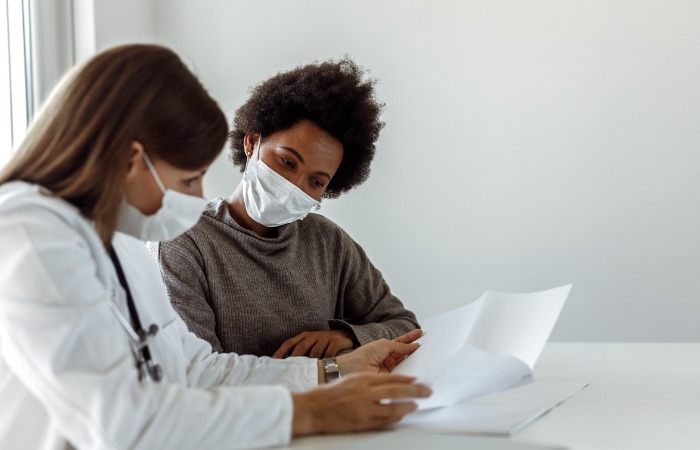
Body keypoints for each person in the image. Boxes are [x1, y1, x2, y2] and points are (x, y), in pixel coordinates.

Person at [0, 44, 431, 450]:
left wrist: (332, 370)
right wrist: (311, 411)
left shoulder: (119, 244)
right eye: (188, 179)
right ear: (132, 160)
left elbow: (196, 369)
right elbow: (121, 423)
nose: (195, 196)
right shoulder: (31, 237)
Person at [149, 58, 419, 359]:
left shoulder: (328, 243)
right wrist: (325, 371)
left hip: (335, 406)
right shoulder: (182, 241)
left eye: (316, 181)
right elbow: (198, 376)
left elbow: (405, 325)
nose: (294, 185)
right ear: (252, 142)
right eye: (287, 162)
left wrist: (347, 336)